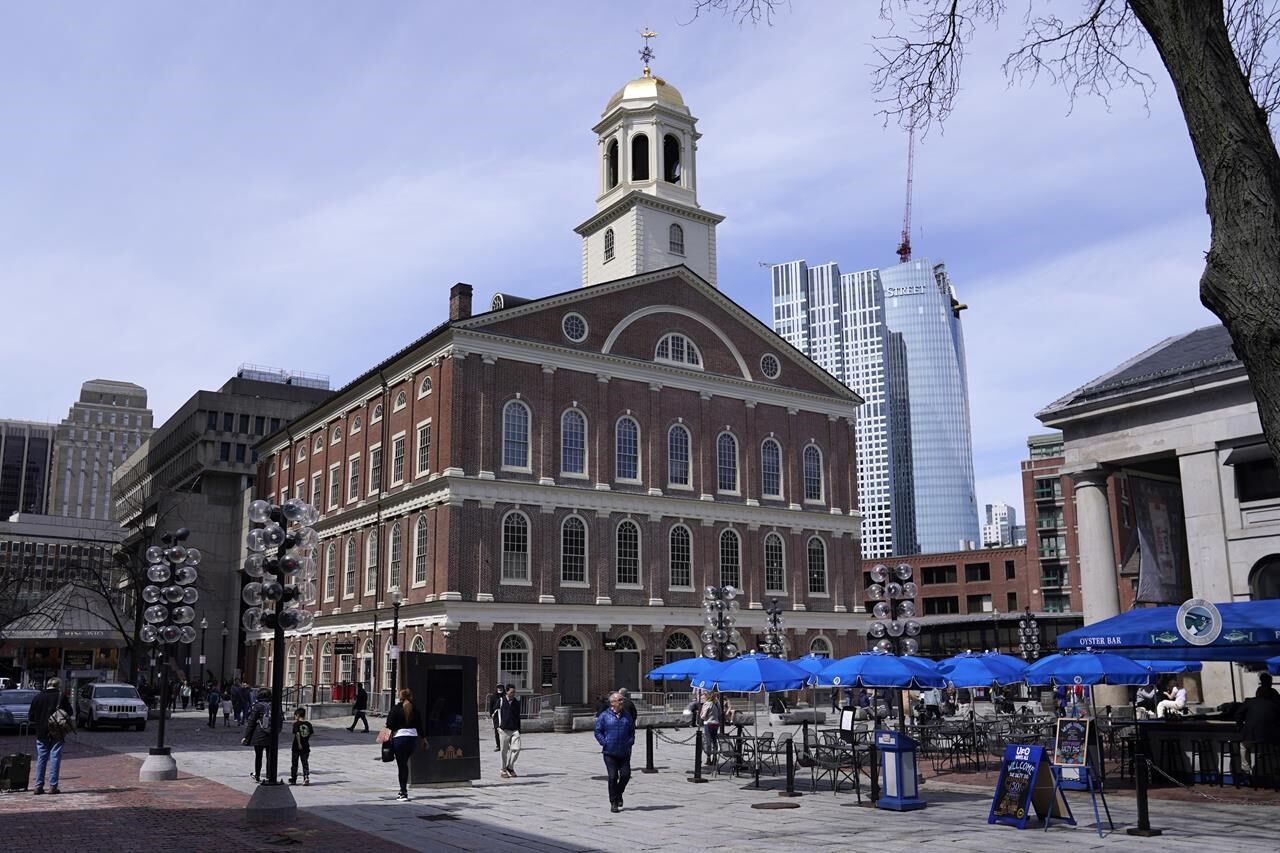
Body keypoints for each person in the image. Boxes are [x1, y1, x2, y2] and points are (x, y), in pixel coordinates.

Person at [29, 677, 75, 795]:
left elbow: (31, 717)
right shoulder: (61, 696)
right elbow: (70, 712)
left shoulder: (38, 697)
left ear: (47, 685)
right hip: (57, 730)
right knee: (55, 757)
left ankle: (38, 786)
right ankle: (53, 786)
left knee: (41, 758)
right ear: (58, 686)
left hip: (41, 732)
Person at [594, 691, 636, 813]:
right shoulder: (604, 716)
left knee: (625, 775)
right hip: (609, 751)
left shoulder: (627, 715)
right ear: (613, 703)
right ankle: (613, 802)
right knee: (613, 777)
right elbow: (597, 731)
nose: (623, 702)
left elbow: (631, 731)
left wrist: (630, 742)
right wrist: (604, 742)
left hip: (624, 751)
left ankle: (619, 792)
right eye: (620, 700)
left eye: (622, 700)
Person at [384, 687, 425, 800]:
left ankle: (403, 792)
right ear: (410, 696)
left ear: (400, 696)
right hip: (412, 739)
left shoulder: (396, 709)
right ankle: (403, 791)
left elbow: (389, 725)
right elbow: (420, 726)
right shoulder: (415, 709)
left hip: (400, 738)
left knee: (402, 765)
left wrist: (384, 738)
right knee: (404, 763)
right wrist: (423, 739)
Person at [241, 687, 276, 782]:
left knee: (259, 756)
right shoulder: (274, 704)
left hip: (259, 733)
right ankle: (270, 775)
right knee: (270, 756)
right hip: (271, 733)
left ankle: (257, 775)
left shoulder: (258, 706)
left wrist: (246, 736)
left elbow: (251, 722)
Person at [494, 684, 522, 778]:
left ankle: (510, 767)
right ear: (507, 692)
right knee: (504, 751)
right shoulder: (501, 701)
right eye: (511, 692)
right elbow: (495, 714)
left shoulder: (516, 703)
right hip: (504, 729)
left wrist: (519, 729)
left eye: (514, 692)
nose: (513, 694)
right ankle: (503, 770)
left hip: (514, 729)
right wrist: (497, 727)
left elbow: (518, 717)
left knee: (517, 748)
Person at [290, 707, 314, 786]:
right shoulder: (309, 724)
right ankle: (306, 777)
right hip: (306, 746)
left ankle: (294, 778)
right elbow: (310, 734)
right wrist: (305, 740)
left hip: (296, 746)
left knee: (294, 763)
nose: (294, 717)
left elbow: (297, 734)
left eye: (295, 716)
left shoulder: (296, 724)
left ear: (297, 715)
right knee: (305, 763)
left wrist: (299, 743)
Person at [699, 688, 722, 766]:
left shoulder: (707, 703)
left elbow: (703, 716)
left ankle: (708, 758)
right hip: (716, 723)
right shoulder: (717, 702)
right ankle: (715, 758)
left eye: (705, 694)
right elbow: (720, 713)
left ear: (708, 695)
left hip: (708, 724)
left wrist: (701, 713)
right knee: (714, 741)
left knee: (708, 742)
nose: (704, 696)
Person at [487, 683, 505, 751]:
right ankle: (498, 745)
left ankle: (505, 745)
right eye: (498, 687)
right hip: (496, 716)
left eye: (501, 687)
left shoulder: (505, 696)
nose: (500, 689)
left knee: (504, 731)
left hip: (504, 715)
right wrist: (491, 714)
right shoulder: (493, 696)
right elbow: (491, 706)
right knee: (497, 730)